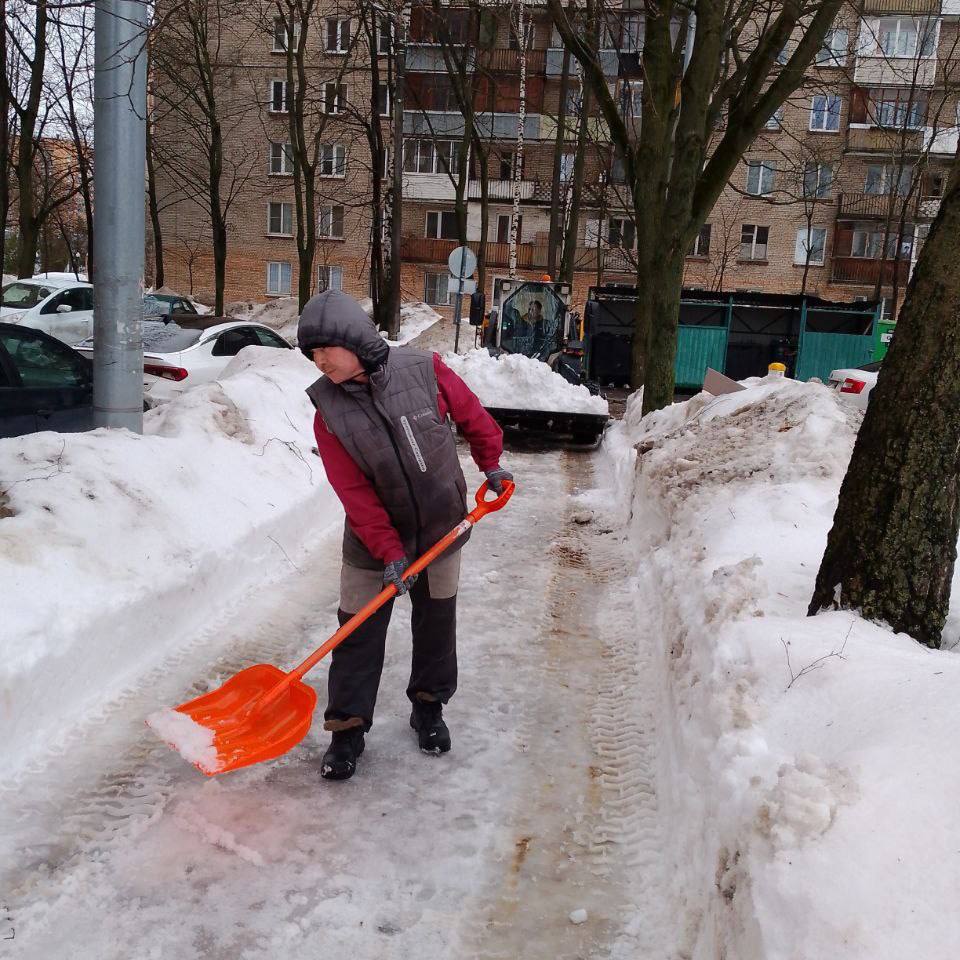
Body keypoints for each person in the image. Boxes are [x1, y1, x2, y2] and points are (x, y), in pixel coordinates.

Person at [297, 290, 513, 781]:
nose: (319, 360)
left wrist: (492, 465)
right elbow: (354, 493)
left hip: (441, 527)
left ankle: (429, 708)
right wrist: (388, 552)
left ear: (354, 340)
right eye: (312, 352)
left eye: (326, 347)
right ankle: (347, 729)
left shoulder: (425, 370)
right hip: (373, 540)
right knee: (357, 631)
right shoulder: (327, 411)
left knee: (437, 623)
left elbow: (474, 418)